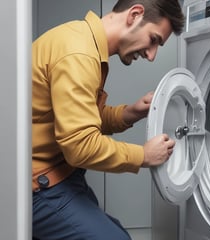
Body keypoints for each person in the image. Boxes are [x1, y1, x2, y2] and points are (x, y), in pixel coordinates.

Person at [32, 0, 185, 239]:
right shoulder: (79, 54)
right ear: (134, 15)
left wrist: (131, 112)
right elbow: (80, 146)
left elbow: (79, 118)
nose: (151, 55)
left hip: (61, 174)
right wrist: (143, 155)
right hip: (38, 186)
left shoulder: (82, 40)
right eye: (154, 40)